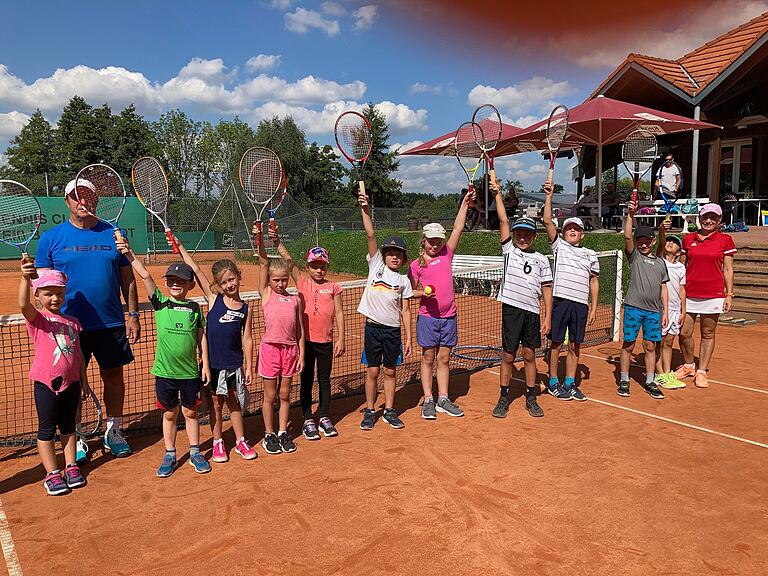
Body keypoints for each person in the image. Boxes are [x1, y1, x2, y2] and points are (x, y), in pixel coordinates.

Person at [35, 178, 140, 460]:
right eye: (76, 197)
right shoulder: (51, 239)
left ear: (96, 200)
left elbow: (127, 279)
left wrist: (132, 314)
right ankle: (77, 435)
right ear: (67, 202)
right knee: (72, 384)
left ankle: (114, 431)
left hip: (111, 323)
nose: (83, 202)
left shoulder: (113, 235)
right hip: (66, 329)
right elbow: (43, 288)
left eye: (88, 196)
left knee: (113, 377)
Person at [117, 238, 211, 477]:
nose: (176, 284)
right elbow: (146, 276)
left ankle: (194, 452)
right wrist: (129, 253)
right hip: (165, 372)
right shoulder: (160, 303)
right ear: (167, 283)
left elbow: (201, 336)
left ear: (190, 285)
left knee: (190, 412)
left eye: (181, 281)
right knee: (169, 414)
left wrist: (206, 364)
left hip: (190, 372)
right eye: (171, 280)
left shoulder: (194, 308)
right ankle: (170, 453)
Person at [174, 239, 256, 462]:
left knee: (235, 402)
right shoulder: (214, 299)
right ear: (218, 286)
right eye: (224, 282)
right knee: (216, 405)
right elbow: (197, 269)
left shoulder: (246, 309)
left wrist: (248, 366)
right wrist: (181, 247)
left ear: (238, 276)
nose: (229, 284)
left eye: (231, 279)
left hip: (234, 364)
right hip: (214, 365)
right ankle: (218, 442)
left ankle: (240, 441)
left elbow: (247, 338)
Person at [19, 263, 89, 495]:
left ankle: (70, 467)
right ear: (38, 295)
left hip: (72, 383)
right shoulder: (38, 321)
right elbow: (22, 304)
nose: (55, 298)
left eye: (59, 293)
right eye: (48, 294)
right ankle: (51, 473)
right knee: (46, 430)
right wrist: (24, 279)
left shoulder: (73, 322)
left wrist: (84, 380)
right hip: (46, 384)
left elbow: (77, 353)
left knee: (69, 427)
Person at [271, 227, 345, 440]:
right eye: (314, 266)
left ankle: (323, 416)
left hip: (326, 342)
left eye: (322, 266)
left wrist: (340, 338)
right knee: (306, 380)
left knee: (324, 380)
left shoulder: (334, 287)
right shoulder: (302, 282)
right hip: (304, 343)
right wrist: (277, 242)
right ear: (308, 267)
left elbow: (339, 312)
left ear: (327, 266)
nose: (318, 270)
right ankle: (307, 419)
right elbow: (289, 261)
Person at [490, 181, 553, 419]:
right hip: (512, 310)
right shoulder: (510, 251)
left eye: (527, 234)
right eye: (519, 234)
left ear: (534, 236)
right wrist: (497, 194)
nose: (522, 237)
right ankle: (503, 396)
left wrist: (547, 317)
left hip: (532, 313)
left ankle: (531, 396)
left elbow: (547, 290)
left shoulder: (542, 260)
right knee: (508, 355)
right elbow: (504, 220)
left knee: (529, 355)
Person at [408, 193, 472, 420]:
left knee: (444, 358)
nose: (435, 244)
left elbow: (458, 229)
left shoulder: (447, 254)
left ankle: (443, 398)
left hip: (449, 316)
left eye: (438, 240)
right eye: (431, 240)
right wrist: (423, 293)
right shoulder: (416, 265)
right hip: (427, 318)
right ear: (423, 240)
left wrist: (464, 204)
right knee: (428, 358)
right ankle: (428, 399)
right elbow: (411, 291)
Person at [357, 188, 413, 430]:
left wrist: (409, 337)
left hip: (392, 331)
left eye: (398, 254)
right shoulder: (376, 265)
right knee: (372, 371)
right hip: (373, 329)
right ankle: (370, 410)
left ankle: (389, 410)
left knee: (390, 372)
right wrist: (364, 208)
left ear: (403, 259)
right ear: (383, 255)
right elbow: (370, 234)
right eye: (390, 253)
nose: (393, 257)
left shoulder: (404, 281)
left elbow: (407, 311)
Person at [543, 182, 599, 401]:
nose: (572, 230)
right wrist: (549, 196)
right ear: (563, 233)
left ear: (582, 234)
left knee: (576, 344)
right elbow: (547, 220)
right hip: (560, 301)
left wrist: (593, 308)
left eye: (576, 228)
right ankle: (553, 381)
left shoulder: (590, 254)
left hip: (580, 304)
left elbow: (594, 282)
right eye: (568, 228)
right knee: (556, 343)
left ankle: (570, 382)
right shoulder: (559, 247)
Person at [254, 225, 304, 454]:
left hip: (290, 351)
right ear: (270, 281)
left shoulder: (295, 300)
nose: (281, 284)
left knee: (285, 394)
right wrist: (259, 238)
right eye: (277, 280)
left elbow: (300, 331)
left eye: (284, 280)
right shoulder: (266, 294)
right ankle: (269, 433)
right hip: (270, 350)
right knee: (270, 395)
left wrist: (301, 354)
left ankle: (283, 431)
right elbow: (264, 263)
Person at [675, 204, 736, 388]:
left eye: (713, 217)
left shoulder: (725, 240)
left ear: (719, 220)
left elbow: (728, 269)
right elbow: (681, 267)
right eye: (705, 217)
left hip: (714, 294)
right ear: (699, 218)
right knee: (684, 332)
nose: (709, 221)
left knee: (707, 333)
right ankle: (688, 365)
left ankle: (701, 371)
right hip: (689, 294)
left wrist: (729, 294)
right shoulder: (688, 240)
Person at [617, 200, 669, 399]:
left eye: (647, 240)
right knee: (628, 345)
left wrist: (663, 311)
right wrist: (630, 215)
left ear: (653, 241)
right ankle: (623, 379)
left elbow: (664, 288)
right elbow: (628, 235)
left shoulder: (661, 263)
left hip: (654, 312)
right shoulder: (635, 257)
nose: (643, 243)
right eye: (640, 241)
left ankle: (650, 381)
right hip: (633, 308)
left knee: (650, 346)